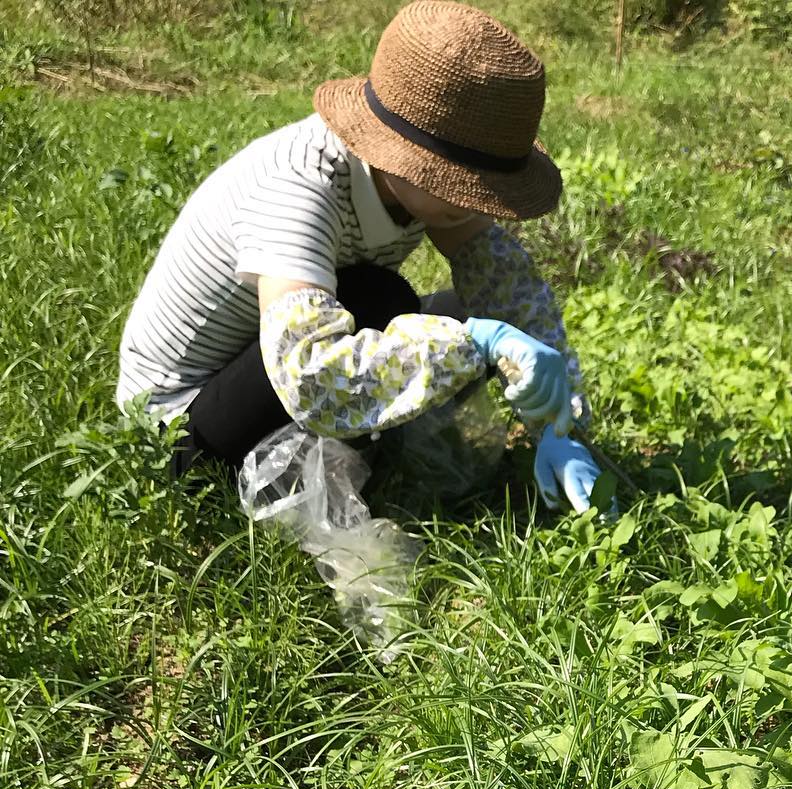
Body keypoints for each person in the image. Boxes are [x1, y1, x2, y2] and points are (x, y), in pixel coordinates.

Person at [115, 0, 601, 513]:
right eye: (464, 185)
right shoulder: (299, 187)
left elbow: (508, 291)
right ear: (402, 155)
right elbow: (308, 374)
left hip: (262, 372)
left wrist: (560, 423)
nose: (481, 204)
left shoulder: (424, 195)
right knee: (381, 298)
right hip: (178, 431)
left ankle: (357, 454)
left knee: (462, 314)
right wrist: (475, 346)